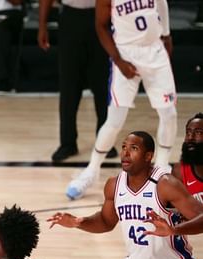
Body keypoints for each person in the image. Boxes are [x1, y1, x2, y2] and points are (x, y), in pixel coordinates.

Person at [48, 131, 203, 259]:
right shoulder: (114, 185)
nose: (125, 153)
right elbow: (105, 221)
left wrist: (173, 230)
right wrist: (79, 222)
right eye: (123, 147)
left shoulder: (165, 184)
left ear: (149, 156)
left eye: (134, 148)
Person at [66, 0, 178, 200]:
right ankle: (92, 171)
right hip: (126, 53)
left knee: (169, 113)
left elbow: (162, 3)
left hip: (154, 50)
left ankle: (161, 168)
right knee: (115, 120)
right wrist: (118, 60)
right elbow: (100, 26)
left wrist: (167, 34)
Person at [141, 113, 203, 259]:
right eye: (188, 132)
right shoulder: (180, 171)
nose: (191, 138)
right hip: (185, 249)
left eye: (198, 133)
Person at [38, 0, 117, 162]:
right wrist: (42, 25)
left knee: (102, 84)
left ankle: (105, 142)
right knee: (69, 85)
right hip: (71, 16)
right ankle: (67, 143)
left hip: (101, 14)